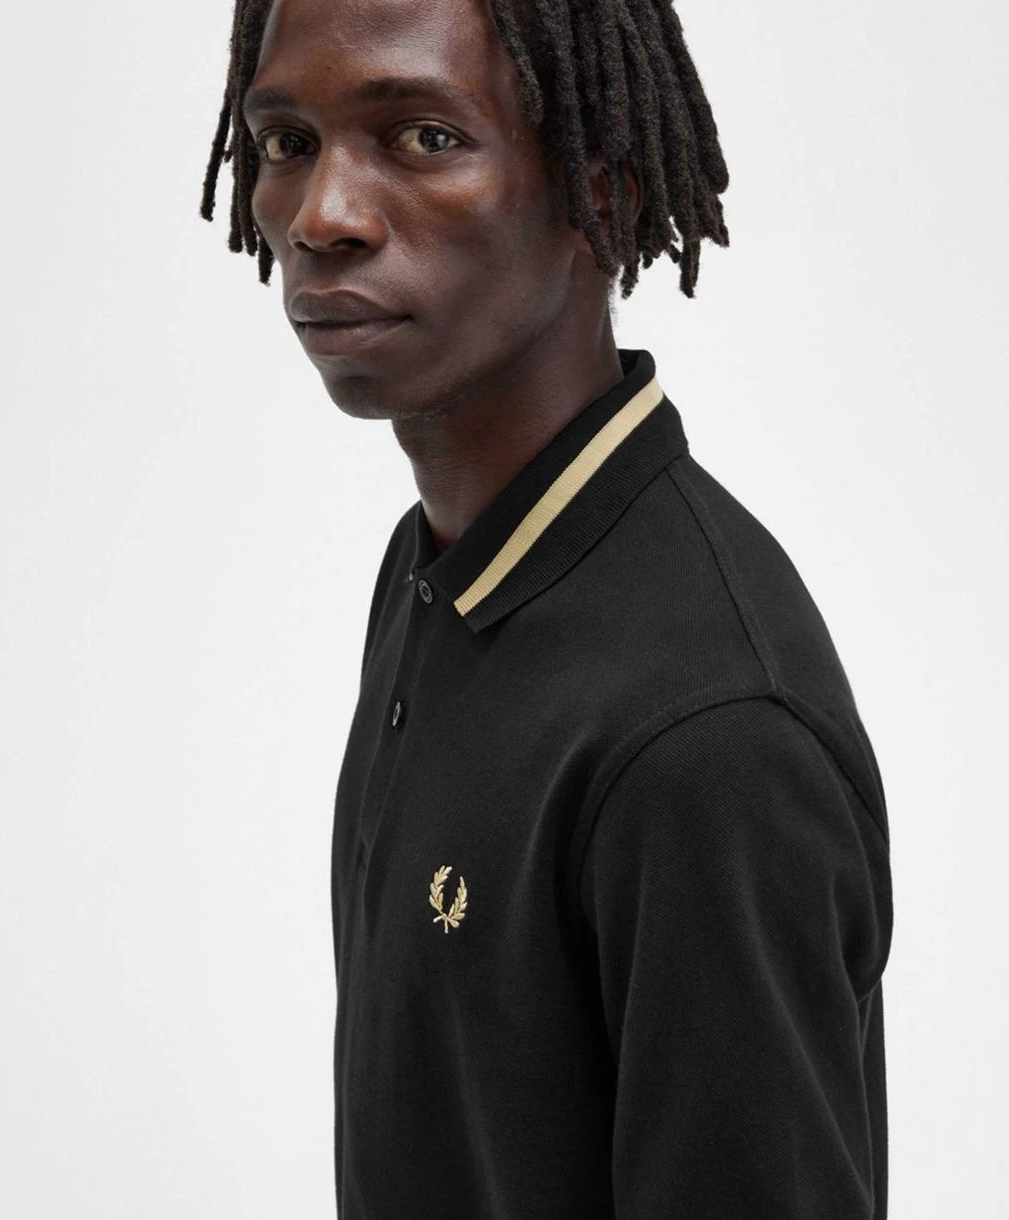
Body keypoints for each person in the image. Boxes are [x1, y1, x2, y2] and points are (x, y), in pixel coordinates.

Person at [200, 1, 894, 1215]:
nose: (321, 216)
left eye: (422, 137)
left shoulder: (707, 737)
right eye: (287, 142)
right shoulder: (441, 570)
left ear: (602, 185)